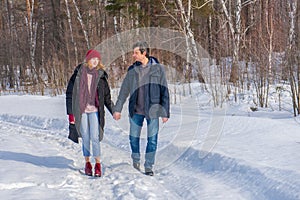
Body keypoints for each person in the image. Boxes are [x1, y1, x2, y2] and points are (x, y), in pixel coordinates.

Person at [113, 41, 170, 176]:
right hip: (136, 110)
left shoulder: (158, 69)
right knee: (133, 138)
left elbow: (164, 91)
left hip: (153, 110)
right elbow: (124, 91)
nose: (133, 55)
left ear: (144, 53)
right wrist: (117, 109)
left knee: (152, 139)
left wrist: (165, 112)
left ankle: (149, 166)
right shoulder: (132, 70)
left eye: (136, 53)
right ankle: (136, 160)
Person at [66, 49, 114, 177]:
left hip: (95, 111)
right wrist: (71, 114)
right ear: (88, 60)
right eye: (93, 59)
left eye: (97, 59)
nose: (95, 61)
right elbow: (70, 94)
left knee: (95, 137)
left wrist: (113, 110)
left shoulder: (101, 76)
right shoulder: (78, 75)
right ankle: (87, 163)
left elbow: (107, 97)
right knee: (85, 137)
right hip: (81, 111)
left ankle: (98, 164)